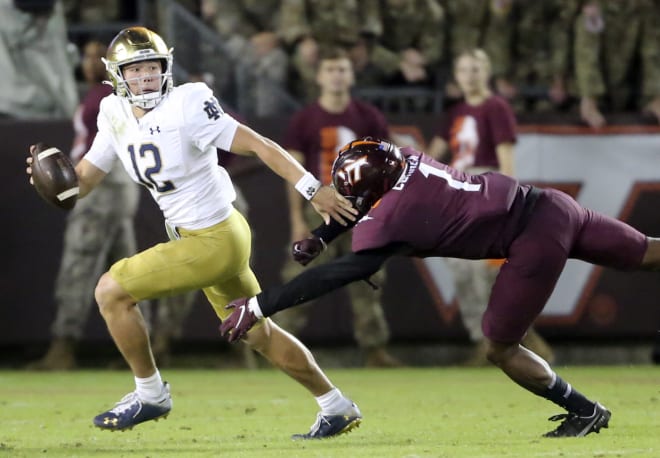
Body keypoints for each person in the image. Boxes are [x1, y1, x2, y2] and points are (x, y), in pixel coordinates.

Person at [25, 26, 361, 439]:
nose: (146, 77)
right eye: (136, 70)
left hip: (215, 237)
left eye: (152, 67)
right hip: (199, 238)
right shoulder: (112, 111)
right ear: (116, 75)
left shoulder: (188, 102)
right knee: (258, 332)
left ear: (166, 67)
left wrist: (313, 188)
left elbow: (258, 144)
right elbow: (83, 183)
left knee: (110, 291)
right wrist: (52, 182)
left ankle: (150, 393)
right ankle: (335, 405)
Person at [220, 137, 660, 437]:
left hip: (532, 242)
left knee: (500, 348)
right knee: (644, 252)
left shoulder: (394, 215)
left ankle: (584, 411)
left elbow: (344, 270)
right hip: (552, 205)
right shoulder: (406, 158)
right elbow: (368, 204)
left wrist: (261, 305)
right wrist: (321, 236)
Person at [427, 48, 554, 366]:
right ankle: (483, 340)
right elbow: (433, 156)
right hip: (458, 189)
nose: (469, 75)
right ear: (456, 76)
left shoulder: (496, 107)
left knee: (490, 272)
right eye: (464, 69)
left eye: (475, 69)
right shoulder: (456, 112)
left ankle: (520, 337)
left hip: (484, 185)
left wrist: (505, 201)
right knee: (461, 269)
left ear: (486, 72)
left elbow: (506, 161)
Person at [277, 46, 400, 367]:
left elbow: (387, 165)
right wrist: (296, 219)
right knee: (301, 273)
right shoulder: (306, 119)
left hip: (363, 208)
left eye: (342, 69)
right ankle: (279, 345)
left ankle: (374, 348)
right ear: (319, 77)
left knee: (369, 277)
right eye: (330, 69)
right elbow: (295, 171)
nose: (336, 75)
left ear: (352, 75)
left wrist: (382, 211)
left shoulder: (368, 116)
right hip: (320, 207)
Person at [0, 0, 78, 119]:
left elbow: (64, 76)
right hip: (12, 115)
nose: (42, 20)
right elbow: (9, 92)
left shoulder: (53, 19)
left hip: (54, 116)